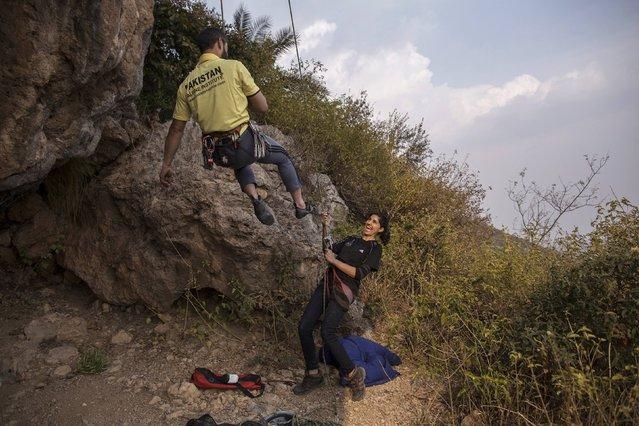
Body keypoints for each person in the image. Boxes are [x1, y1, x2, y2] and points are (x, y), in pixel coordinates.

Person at [158, 27, 315, 225]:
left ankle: (255, 199)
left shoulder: (186, 85)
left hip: (217, 153)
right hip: (243, 141)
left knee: (239, 164)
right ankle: (300, 205)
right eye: (225, 44)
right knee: (283, 157)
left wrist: (166, 164)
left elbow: (176, 129)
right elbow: (263, 106)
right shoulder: (233, 67)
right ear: (219, 43)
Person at [294, 212, 391, 401]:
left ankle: (353, 374)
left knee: (327, 331)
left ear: (380, 229)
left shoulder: (374, 249)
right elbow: (328, 250)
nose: (369, 223)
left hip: (344, 291)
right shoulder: (351, 240)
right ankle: (313, 374)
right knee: (304, 326)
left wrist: (334, 261)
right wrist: (325, 226)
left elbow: (360, 273)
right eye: (369, 219)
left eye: (374, 222)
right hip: (327, 285)